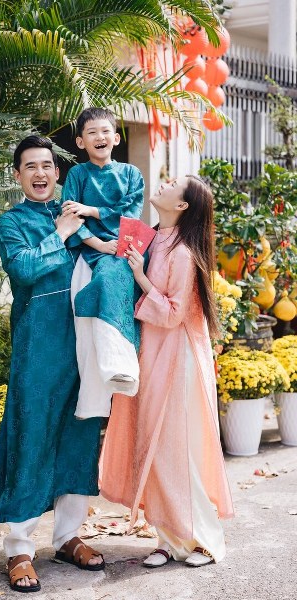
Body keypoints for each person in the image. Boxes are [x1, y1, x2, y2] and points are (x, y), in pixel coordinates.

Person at [0, 136, 105, 594]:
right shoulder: (11, 222)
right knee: (31, 437)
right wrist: (60, 234)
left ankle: (68, 536)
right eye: (30, 166)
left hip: (85, 343)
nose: (40, 173)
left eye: (47, 166)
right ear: (17, 175)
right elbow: (22, 270)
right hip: (39, 347)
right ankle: (19, 548)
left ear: (58, 172)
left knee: (79, 435)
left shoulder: (77, 211)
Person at [99, 175, 234, 568]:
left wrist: (141, 278)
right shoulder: (155, 238)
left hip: (179, 358)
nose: (164, 183)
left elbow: (174, 314)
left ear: (182, 205)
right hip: (154, 353)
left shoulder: (185, 253)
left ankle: (205, 541)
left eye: (174, 183)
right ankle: (168, 539)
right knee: (154, 447)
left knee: (178, 450)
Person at [61, 107, 145, 419]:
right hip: (91, 250)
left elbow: (130, 213)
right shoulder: (77, 175)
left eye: (106, 131)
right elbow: (70, 216)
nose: (100, 136)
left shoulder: (131, 174)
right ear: (80, 142)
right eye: (92, 132)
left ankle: (122, 368)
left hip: (125, 249)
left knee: (111, 289)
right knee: (85, 325)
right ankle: (93, 400)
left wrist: (91, 210)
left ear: (116, 138)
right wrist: (98, 243)